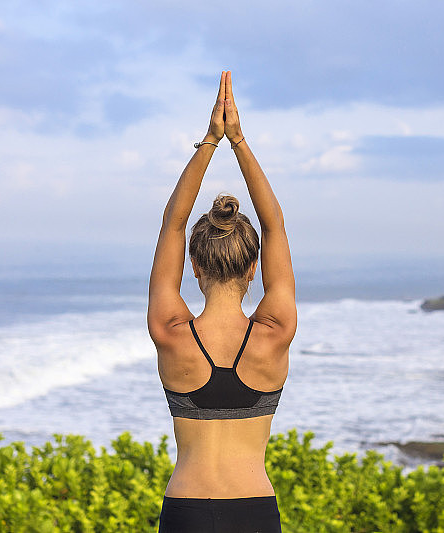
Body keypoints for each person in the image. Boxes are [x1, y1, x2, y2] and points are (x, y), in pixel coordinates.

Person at [147, 71, 296, 533]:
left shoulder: (170, 333)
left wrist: (210, 141)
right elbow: (275, 227)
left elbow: (173, 223)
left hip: (187, 510)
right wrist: (238, 141)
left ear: (194, 265)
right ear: (255, 269)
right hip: (254, 511)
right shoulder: (274, 333)